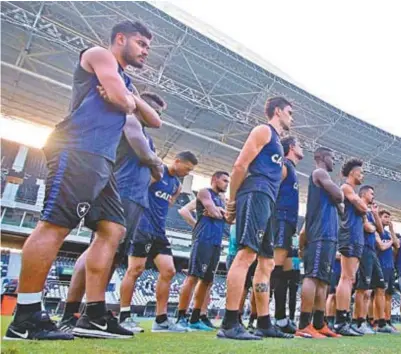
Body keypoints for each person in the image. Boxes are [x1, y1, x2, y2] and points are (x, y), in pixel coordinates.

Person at [4, 20, 160, 341]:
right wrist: (125, 98)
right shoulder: (100, 54)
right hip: (78, 148)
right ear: (120, 39)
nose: (146, 51)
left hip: (101, 159)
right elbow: (119, 99)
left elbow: (152, 119)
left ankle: (94, 316)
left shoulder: (123, 78)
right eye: (141, 44)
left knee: (113, 229)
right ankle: (26, 317)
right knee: (55, 225)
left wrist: (129, 97)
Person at [58, 92, 166, 335]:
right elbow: (146, 156)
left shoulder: (145, 133)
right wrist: (154, 160)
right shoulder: (129, 120)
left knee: (111, 255)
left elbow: (158, 173)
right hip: (120, 191)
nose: (158, 116)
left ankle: (88, 314)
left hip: (135, 196)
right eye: (156, 110)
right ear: (142, 106)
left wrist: (154, 162)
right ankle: (75, 314)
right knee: (101, 250)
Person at [217, 97, 294, 340]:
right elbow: (240, 166)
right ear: (278, 111)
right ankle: (229, 323)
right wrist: (232, 202)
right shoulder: (263, 131)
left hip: (268, 200)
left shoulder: (279, 147)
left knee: (267, 263)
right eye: (290, 112)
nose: (292, 118)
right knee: (246, 255)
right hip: (255, 193)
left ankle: (263, 323)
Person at [119, 151, 198, 333]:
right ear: (177, 161)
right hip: (142, 227)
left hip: (159, 231)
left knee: (169, 271)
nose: (187, 173)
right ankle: (124, 316)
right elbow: (139, 189)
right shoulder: (157, 172)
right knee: (135, 270)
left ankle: (161, 320)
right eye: (186, 168)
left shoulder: (176, 185)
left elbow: (169, 204)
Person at [296, 147, 343, 339]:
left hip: (330, 235)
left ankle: (318, 322)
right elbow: (340, 197)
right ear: (322, 158)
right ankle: (304, 324)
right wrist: (337, 196)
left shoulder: (324, 178)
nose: (334, 161)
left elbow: (341, 207)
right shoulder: (319, 172)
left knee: (323, 280)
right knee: (313, 276)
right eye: (332, 157)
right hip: (320, 233)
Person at [184, 172, 229, 331]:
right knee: (193, 277)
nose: (226, 184)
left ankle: (195, 318)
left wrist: (219, 211)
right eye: (224, 180)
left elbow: (229, 218)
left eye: (228, 181)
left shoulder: (222, 199)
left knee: (207, 281)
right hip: (203, 239)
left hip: (216, 242)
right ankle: (181, 317)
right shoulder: (205, 192)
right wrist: (217, 211)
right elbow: (214, 212)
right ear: (214, 179)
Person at [272, 136, 303, 334]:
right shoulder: (283, 165)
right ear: (291, 147)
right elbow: (270, 188)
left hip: (290, 225)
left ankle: (283, 319)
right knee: (275, 268)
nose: (302, 148)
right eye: (299, 144)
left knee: (290, 273)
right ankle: (267, 318)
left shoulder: (292, 169)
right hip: (280, 219)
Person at [334, 158, 367, 336]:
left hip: (356, 236)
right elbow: (363, 207)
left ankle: (344, 319)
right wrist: (363, 207)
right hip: (349, 235)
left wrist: (363, 209)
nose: (362, 175)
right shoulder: (346, 188)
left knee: (350, 279)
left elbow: (363, 210)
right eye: (361, 172)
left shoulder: (351, 190)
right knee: (346, 278)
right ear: (353, 173)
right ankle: (340, 321)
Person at [353, 187, 386, 335]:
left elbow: (380, 230)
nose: (374, 195)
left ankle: (381, 323)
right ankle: (359, 322)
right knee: (363, 288)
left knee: (379, 286)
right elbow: (368, 228)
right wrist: (370, 223)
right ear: (363, 194)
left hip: (373, 252)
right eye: (371, 193)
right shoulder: (359, 207)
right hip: (364, 249)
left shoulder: (371, 212)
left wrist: (375, 214)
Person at [376, 210, 398, 332]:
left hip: (390, 267)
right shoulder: (377, 231)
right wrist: (391, 242)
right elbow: (382, 246)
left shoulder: (389, 233)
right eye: (385, 217)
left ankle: (388, 321)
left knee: (389, 295)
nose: (387, 219)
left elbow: (398, 245)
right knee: (379, 294)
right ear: (379, 218)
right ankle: (377, 320)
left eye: (389, 217)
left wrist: (392, 231)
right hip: (380, 266)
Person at [285, 234, 302, 327]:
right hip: (285, 268)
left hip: (296, 269)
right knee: (282, 292)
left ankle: (291, 318)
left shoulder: (298, 238)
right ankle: (280, 317)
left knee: (293, 295)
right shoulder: (285, 236)